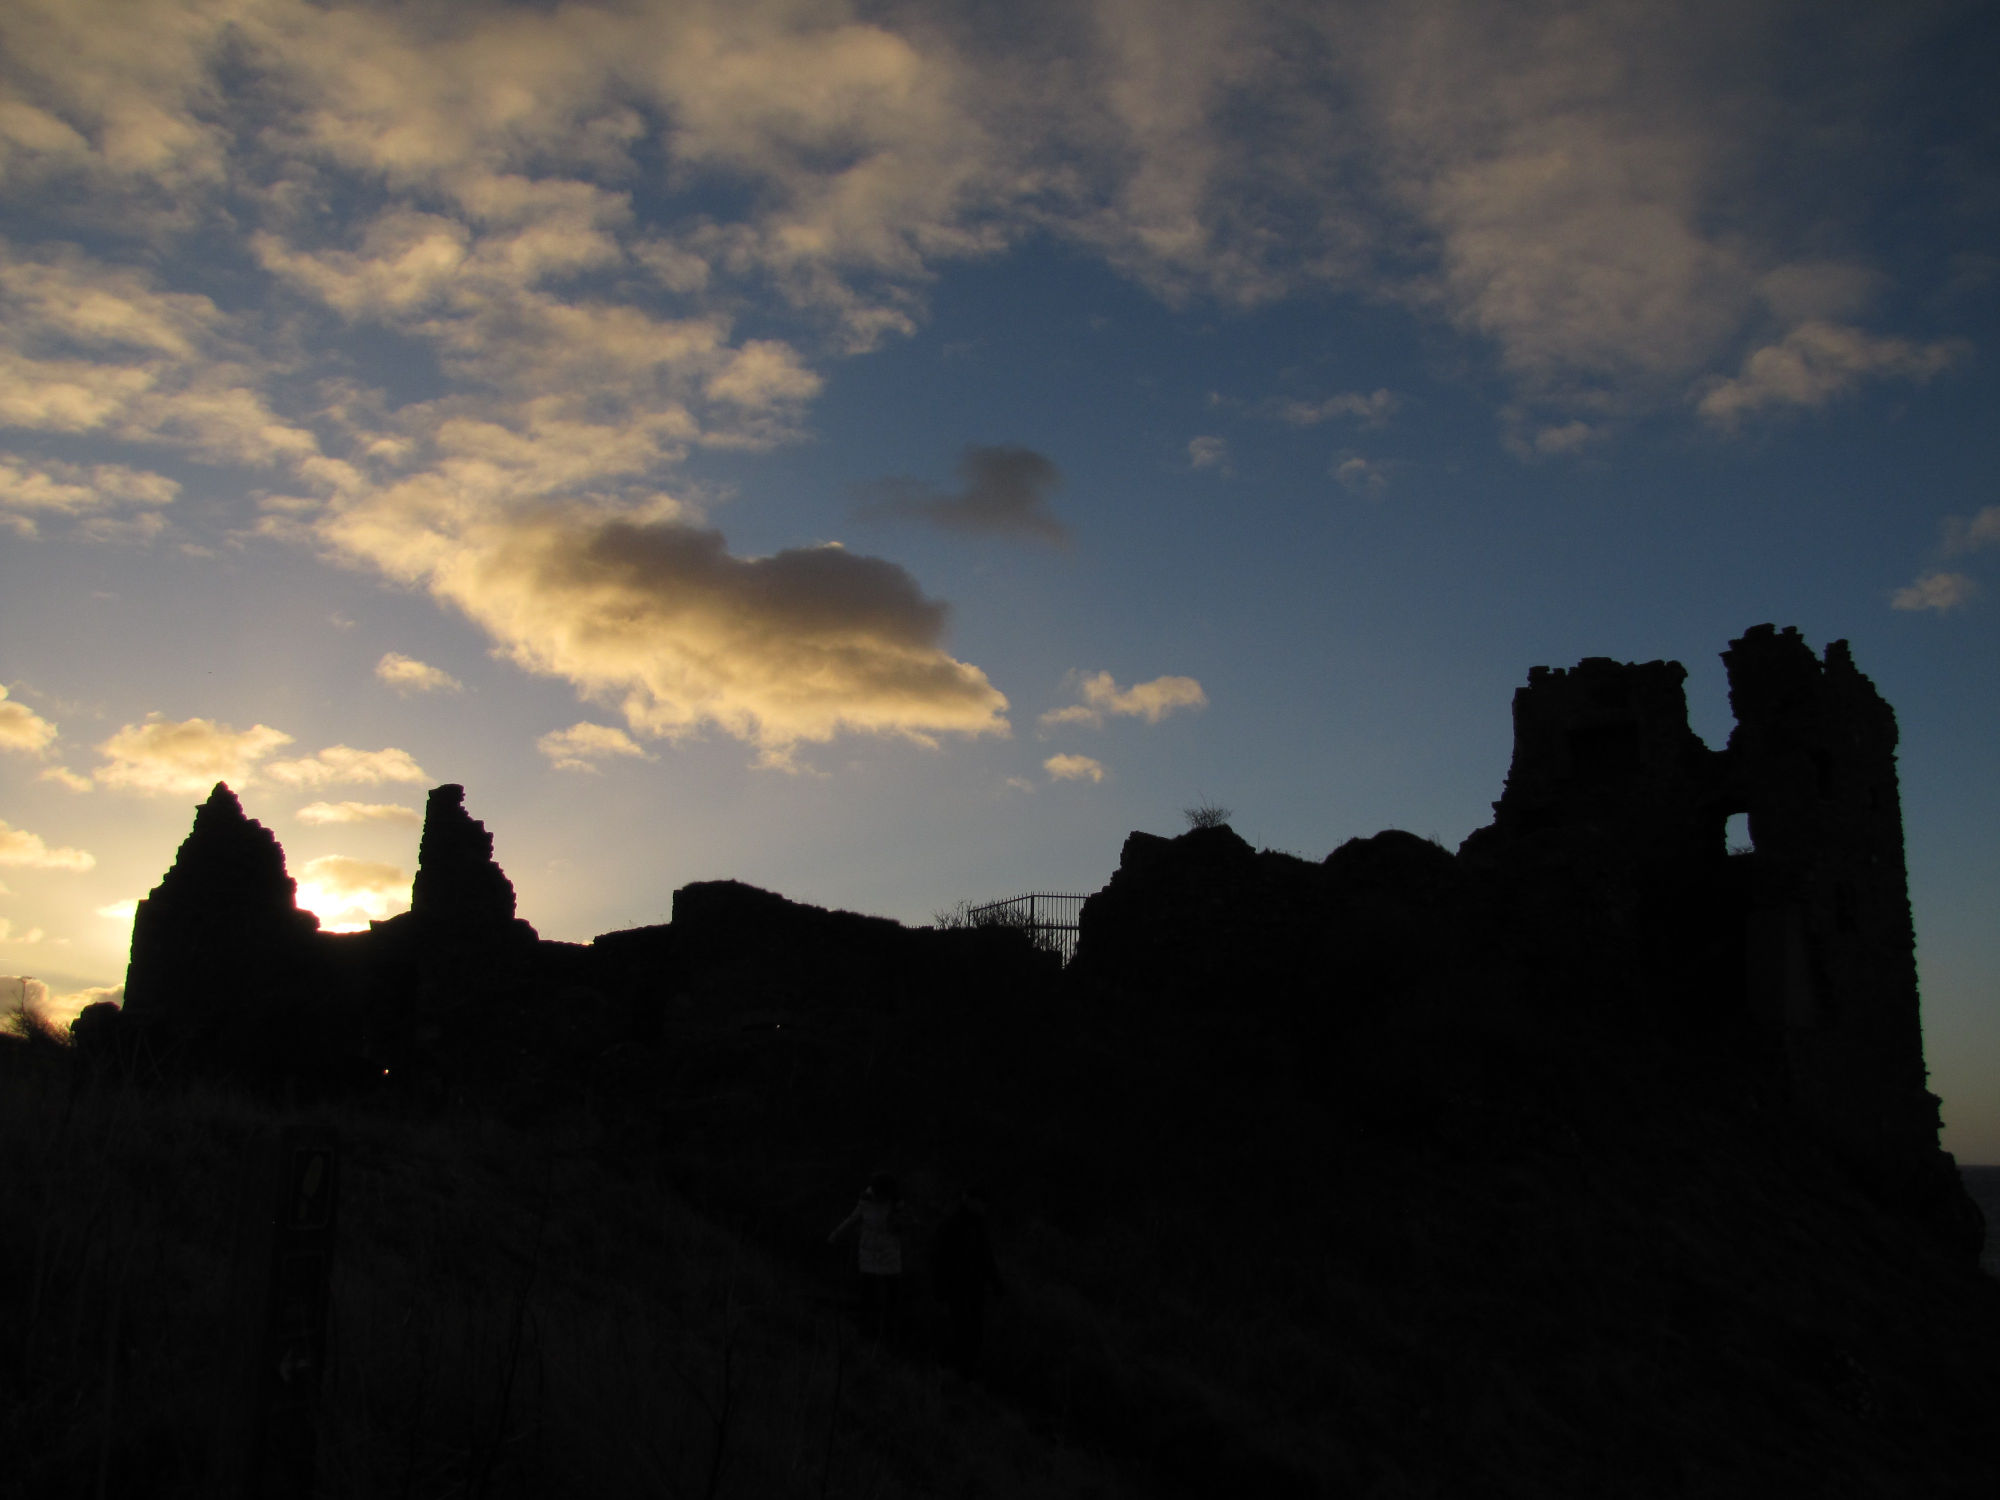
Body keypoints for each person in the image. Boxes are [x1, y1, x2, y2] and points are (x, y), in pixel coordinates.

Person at [929, 1187, 1007, 1372]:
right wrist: (940, 1288)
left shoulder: (976, 1225)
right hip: (958, 1288)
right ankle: (958, 1372)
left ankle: (963, 1372)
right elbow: (939, 1258)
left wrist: (996, 1283)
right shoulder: (953, 1225)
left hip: (972, 1287)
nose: (984, 1207)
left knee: (971, 1332)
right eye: (981, 1202)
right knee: (962, 1331)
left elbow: (986, 1257)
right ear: (970, 1200)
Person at [828, 1171, 906, 1340]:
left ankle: (889, 1333)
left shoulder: (896, 1205)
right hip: (868, 1254)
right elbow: (852, 1219)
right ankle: (867, 1331)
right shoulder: (866, 1201)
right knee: (868, 1295)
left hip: (889, 1255)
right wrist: (836, 1234)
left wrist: (899, 1222)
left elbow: (903, 1227)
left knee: (892, 1295)